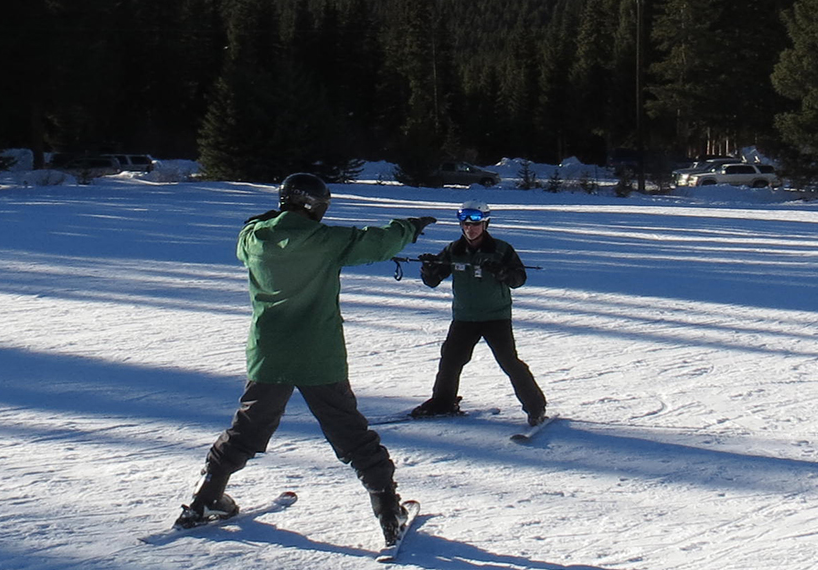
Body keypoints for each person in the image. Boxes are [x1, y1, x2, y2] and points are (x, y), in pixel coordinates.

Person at [176, 173, 437, 547]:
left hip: (269, 355)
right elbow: (377, 243)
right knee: (350, 434)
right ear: (315, 206)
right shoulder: (326, 240)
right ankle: (387, 511)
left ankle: (205, 501)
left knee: (246, 430)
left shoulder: (253, 239)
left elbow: (249, 231)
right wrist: (409, 227)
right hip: (319, 357)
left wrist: (268, 220)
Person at [411, 199, 547, 426]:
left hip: (496, 317)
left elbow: (519, 280)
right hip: (464, 317)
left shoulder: (501, 249)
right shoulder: (454, 250)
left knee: (509, 362)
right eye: (464, 224)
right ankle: (443, 402)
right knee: (451, 361)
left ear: (485, 224)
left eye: (474, 224)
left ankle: (536, 407)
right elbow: (434, 281)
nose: (469, 229)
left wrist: (503, 273)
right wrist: (428, 269)